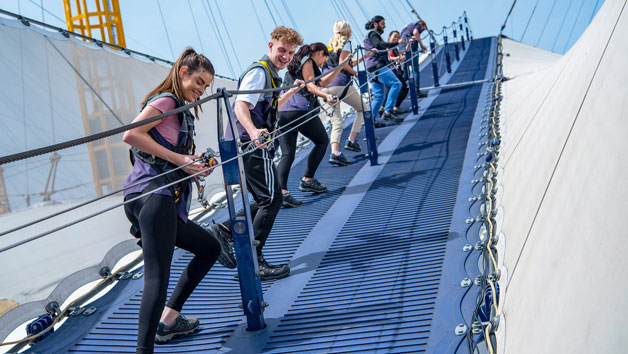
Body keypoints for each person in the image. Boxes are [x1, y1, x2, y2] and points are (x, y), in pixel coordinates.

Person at [122, 48, 222, 353]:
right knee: (157, 277)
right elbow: (131, 134)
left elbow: (164, 152)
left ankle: (169, 319)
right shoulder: (167, 100)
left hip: (152, 197)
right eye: (199, 82)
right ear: (182, 72)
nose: (202, 90)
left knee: (209, 248)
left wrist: (192, 165)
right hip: (154, 197)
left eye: (206, 86)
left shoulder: (179, 108)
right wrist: (181, 159)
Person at [226, 26, 305, 279]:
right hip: (252, 144)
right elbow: (240, 106)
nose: (285, 56)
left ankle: (222, 232)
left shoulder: (270, 75)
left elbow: (267, 106)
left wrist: (290, 92)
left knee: (265, 199)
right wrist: (253, 132)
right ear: (270, 46)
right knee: (272, 199)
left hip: (249, 144)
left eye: (290, 53)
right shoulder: (260, 72)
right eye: (282, 50)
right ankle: (252, 262)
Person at [277, 42, 340, 207]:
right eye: (324, 60)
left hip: (283, 111)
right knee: (322, 141)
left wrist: (340, 67)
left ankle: (281, 192)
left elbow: (322, 82)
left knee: (287, 154)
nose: (323, 64)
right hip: (299, 109)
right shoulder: (308, 61)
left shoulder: (297, 63)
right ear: (320, 53)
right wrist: (326, 97)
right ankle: (308, 179)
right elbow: (312, 86)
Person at [321, 20, 368, 166]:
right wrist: (355, 73)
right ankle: (351, 140)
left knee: (336, 122)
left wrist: (361, 59)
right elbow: (343, 64)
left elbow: (340, 63)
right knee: (363, 109)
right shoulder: (346, 43)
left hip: (326, 86)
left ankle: (335, 153)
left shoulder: (329, 46)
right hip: (341, 84)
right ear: (348, 30)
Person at [363, 15, 404, 126]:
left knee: (379, 96)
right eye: (382, 24)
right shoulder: (373, 34)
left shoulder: (370, 35)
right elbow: (379, 45)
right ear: (375, 24)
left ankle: (370, 121)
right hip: (377, 66)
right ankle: (388, 111)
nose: (385, 26)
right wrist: (396, 43)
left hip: (371, 68)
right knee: (396, 83)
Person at [382, 30, 409, 115]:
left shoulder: (395, 47)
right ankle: (394, 108)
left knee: (389, 90)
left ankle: (385, 108)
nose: (396, 38)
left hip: (393, 70)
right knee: (404, 87)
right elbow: (389, 57)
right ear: (389, 37)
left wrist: (409, 43)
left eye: (398, 37)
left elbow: (403, 51)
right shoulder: (389, 47)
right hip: (391, 71)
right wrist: (397, 58)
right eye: (394, 36)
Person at [401, 20, 429, 97]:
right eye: (423, 29)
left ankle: (398, 89)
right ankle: (416, 91)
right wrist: (421, 45)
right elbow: (415, 32)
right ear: (422, 25)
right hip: (411, 45)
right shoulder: (418, 25)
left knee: (406, 73)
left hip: (404, 47)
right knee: (415, 69)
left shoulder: (407, 27)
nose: (422, 31)